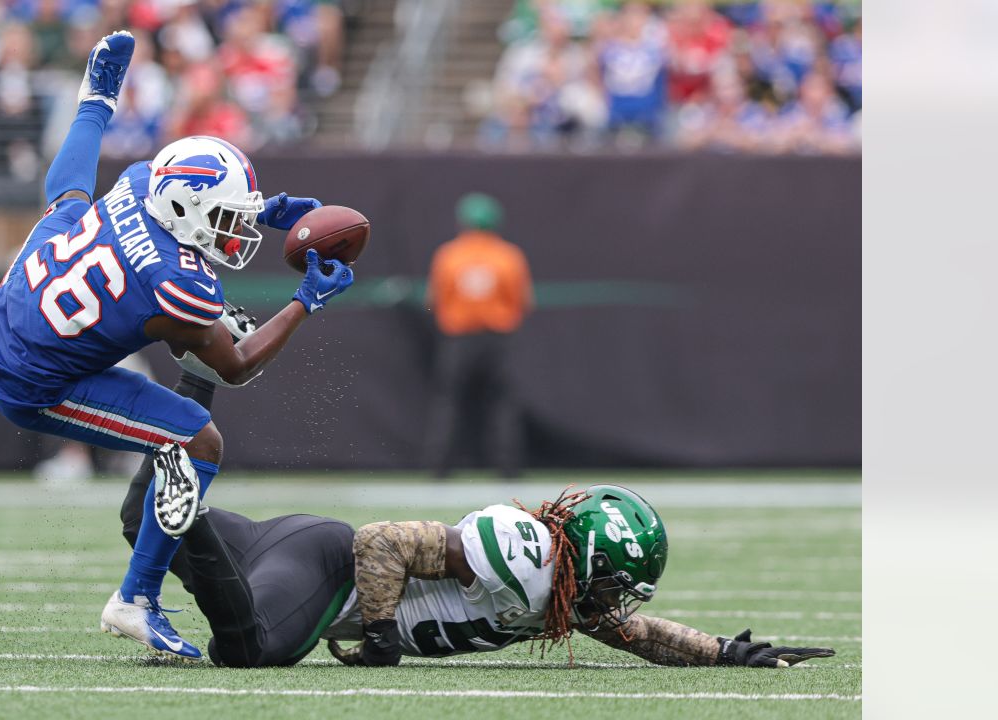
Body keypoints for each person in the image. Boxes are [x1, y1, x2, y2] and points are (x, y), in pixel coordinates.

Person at [0, 30, 355, 660]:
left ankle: (97, 95)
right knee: (197, 438)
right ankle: (136, 598)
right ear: (184, 207)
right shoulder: (175, 280)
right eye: (227, 219)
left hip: (6, 311)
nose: (234, 233)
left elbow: (124, 198)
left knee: (68, 199)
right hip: (29, 378)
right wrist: (304, 302)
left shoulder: (143, 180)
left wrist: (266, 208)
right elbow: (234, 367)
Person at [151, 484, 836, 669]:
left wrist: (726, 652)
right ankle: (184, 509)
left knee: (149, 523)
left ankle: (166, 504)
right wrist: (384, 631)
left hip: (301, 561)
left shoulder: (565, 587)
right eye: (614, 581)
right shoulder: (524, 550)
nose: (614, 600)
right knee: (253, 651)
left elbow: (640, 635)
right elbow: (378, 540)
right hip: (324, 564)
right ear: (590, 559)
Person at [424, 193, 533, 479]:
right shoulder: (509, 255)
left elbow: (435, 298)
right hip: (498, 338)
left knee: (449, 402)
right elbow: (522, 300)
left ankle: (439, 469)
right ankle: (508, 469)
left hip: (460, 339)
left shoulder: (449, 254)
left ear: (464, 222)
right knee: (503, 404)